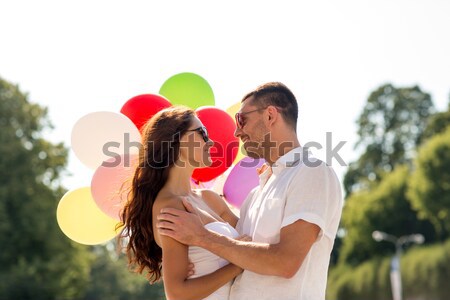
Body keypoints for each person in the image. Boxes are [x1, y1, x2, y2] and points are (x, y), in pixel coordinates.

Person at [157, 82, 343, 299]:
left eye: (241, 120)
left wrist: (203, 238)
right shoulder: (256, 195)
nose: (237, 131)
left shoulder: (311, 172)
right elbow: (239, 252)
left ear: (270, 116)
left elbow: (286, 262)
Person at [118, 106, 249, 300]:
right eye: (202, 133)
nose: (210, 141)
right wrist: (238, 264)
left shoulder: (209, 198)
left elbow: (253, 239)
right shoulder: (169, 207)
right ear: (176, 141)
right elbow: (177, 293)